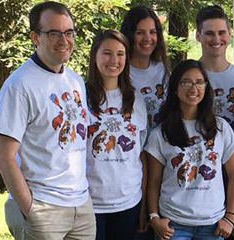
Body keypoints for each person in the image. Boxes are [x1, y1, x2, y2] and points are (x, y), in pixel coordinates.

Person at [0, 1, 95, 239]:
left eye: (69, 32)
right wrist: (32, 209)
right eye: (53, 33)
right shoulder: (19, 85)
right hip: (44, 207)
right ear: (35, 37)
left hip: (81, 206)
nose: (64, 40)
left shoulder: (74, 80)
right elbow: (4, 156)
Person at [144, 59, 234, 240]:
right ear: (175, 87)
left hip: (213, 224)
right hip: (173, 224)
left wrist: (230, 216)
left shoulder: (220, 128)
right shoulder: (161, 133)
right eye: (186, 82)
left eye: (199, 82)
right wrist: (154, 217)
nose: (193, 88)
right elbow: (154, 181)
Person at [85, 30, 148, 240]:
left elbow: (142, 155)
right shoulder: (80, 96)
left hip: (128, 202)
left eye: (120, 54)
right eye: (107, 53)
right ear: (95, 56)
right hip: (89, 202)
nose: (114, 60)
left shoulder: (136, 99)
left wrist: (144, 206)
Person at [195, 5, 234, 128]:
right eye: (209, 33)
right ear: (198, 36)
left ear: (229, 34)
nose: (216, 39)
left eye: (221, 33)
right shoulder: (187, 78)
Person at [120, 5, 170, 131]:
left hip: (160, 147)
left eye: (152, 32)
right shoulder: (119, 72)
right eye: (140, 33)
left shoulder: (163, 70)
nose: (147, 39)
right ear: (129, 35)